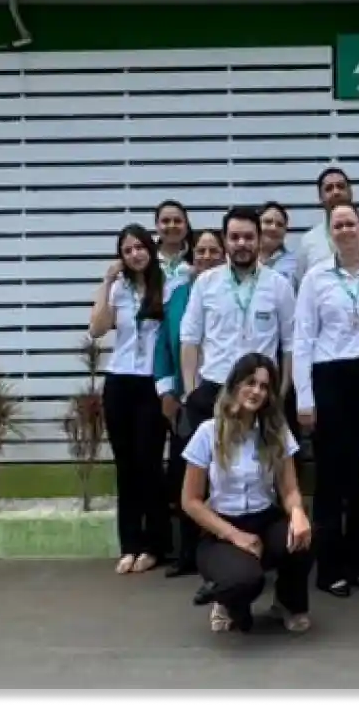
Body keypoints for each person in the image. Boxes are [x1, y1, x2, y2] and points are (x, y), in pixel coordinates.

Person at [176, 208, 299, 573]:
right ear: (226, 240)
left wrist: (284, 391)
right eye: (235, 237)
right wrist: (190, 391)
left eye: (249, 237)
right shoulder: (206, 283)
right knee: (204, 479)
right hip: (215, 388)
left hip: (263, 393)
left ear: (260, 239)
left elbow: (291, 343)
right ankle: (208, 562)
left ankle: (272, 549)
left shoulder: (277, 284)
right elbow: (189, 338)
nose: (242, 244)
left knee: (265, 475)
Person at [292, 203, 359, 599]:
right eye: (339, 225)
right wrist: (304, 397)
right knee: (332, 478)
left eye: (351, 223)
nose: (346, 230)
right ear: (330, 231)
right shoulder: (315, 279)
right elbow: (302, 339)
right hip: (330, 377)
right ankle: (330, 567)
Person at [180, 355, 313, 635]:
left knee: (303, 537)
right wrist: (234, 536)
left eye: (264, 387)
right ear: (235, 385)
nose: (257, 392)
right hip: (221, 528)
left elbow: (289, 489)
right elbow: (190, 501)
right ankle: (226, 599)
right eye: (250, 383)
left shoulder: (275, 431)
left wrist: (298, 513)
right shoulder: (208, 432)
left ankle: (288, 604)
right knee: (245, 580)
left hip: (265, 519)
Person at [88, 224, 169, 575]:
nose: (135, 254)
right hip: (120, 381)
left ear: (150, 249)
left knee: (149, 463)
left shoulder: (167, 286)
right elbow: (96, 328)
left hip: (152, 382)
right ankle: (130, 544)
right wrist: (106, 283)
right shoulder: (118, 288)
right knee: (125, 466)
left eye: (140, 247)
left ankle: (154, 545)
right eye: (127, 250)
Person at [155, 229, 225, 579]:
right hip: (186, 397)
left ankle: (219, 550)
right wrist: (169, 390)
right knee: (186, 474)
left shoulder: (227, 292)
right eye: (201, 251)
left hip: (219, 392)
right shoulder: (178, 296)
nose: (208, 256)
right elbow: (164, 346)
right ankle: (187, 554)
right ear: (191, 257)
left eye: (215, 250)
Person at [293, 167, 359, 280]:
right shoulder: (308, 241)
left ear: (350, 192)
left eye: (341, 186)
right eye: (329, 189)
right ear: (320, 197)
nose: (336, 192)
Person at [154, 199, 195, 291]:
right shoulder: (147, 258)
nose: (172, 225)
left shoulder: (198, 257)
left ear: (186, 225)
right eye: (165, 221)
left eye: (177, 221)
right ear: (156, 225)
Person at [257, 202, 299, 285]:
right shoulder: (245, 260)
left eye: (280, 225)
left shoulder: (296, 265)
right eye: (268, 222)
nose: (273, 228)